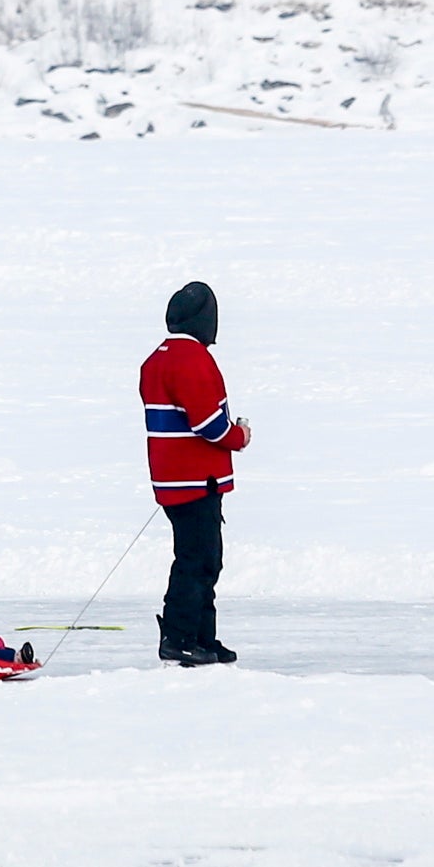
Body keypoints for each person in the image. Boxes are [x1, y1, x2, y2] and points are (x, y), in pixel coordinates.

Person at [140, 278, 252, 667]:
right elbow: (209, 424)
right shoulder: (192, 359)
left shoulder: (158, 357)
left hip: (174, 479)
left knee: (201, 559)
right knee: (198, 561)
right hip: (196, 480)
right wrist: (239, 436)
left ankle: (202, 637)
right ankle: (181, 637)